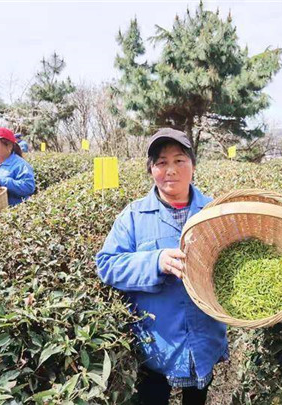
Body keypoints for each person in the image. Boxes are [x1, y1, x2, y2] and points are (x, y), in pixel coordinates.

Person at [95, 128, 228, 405]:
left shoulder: (215, 213)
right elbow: (107, 265)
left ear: (193, 165)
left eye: (179, 160)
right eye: (161, 162)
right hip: (155, 343)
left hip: (204, 338)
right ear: (151, 169)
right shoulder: (133, 215)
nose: (171, 170)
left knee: (197, 398)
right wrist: (155, 261)